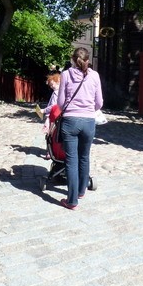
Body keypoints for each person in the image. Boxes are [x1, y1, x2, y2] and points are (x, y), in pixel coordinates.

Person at [56, 48, 103, 210]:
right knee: (84, 156)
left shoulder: (66, 75)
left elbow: (60, 102)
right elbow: (99, 103)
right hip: (89, 121)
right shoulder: (95, 76)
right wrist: (88, 109)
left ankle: (72, 200)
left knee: (71, 160)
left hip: (70, 121)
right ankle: (82, 190)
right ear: (87, 60)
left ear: (72, 59)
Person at [41, 71, 61, 160]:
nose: (52, 86)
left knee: (50, 134)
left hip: (53, 116)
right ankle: (51, 151)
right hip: (55, 116)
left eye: (53, 84)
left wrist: (44, 110)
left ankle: (49, 152)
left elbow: (53, 106)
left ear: (58, 82)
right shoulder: (59, 92)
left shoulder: (56, 93)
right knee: (52, 134)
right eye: (50, 85)